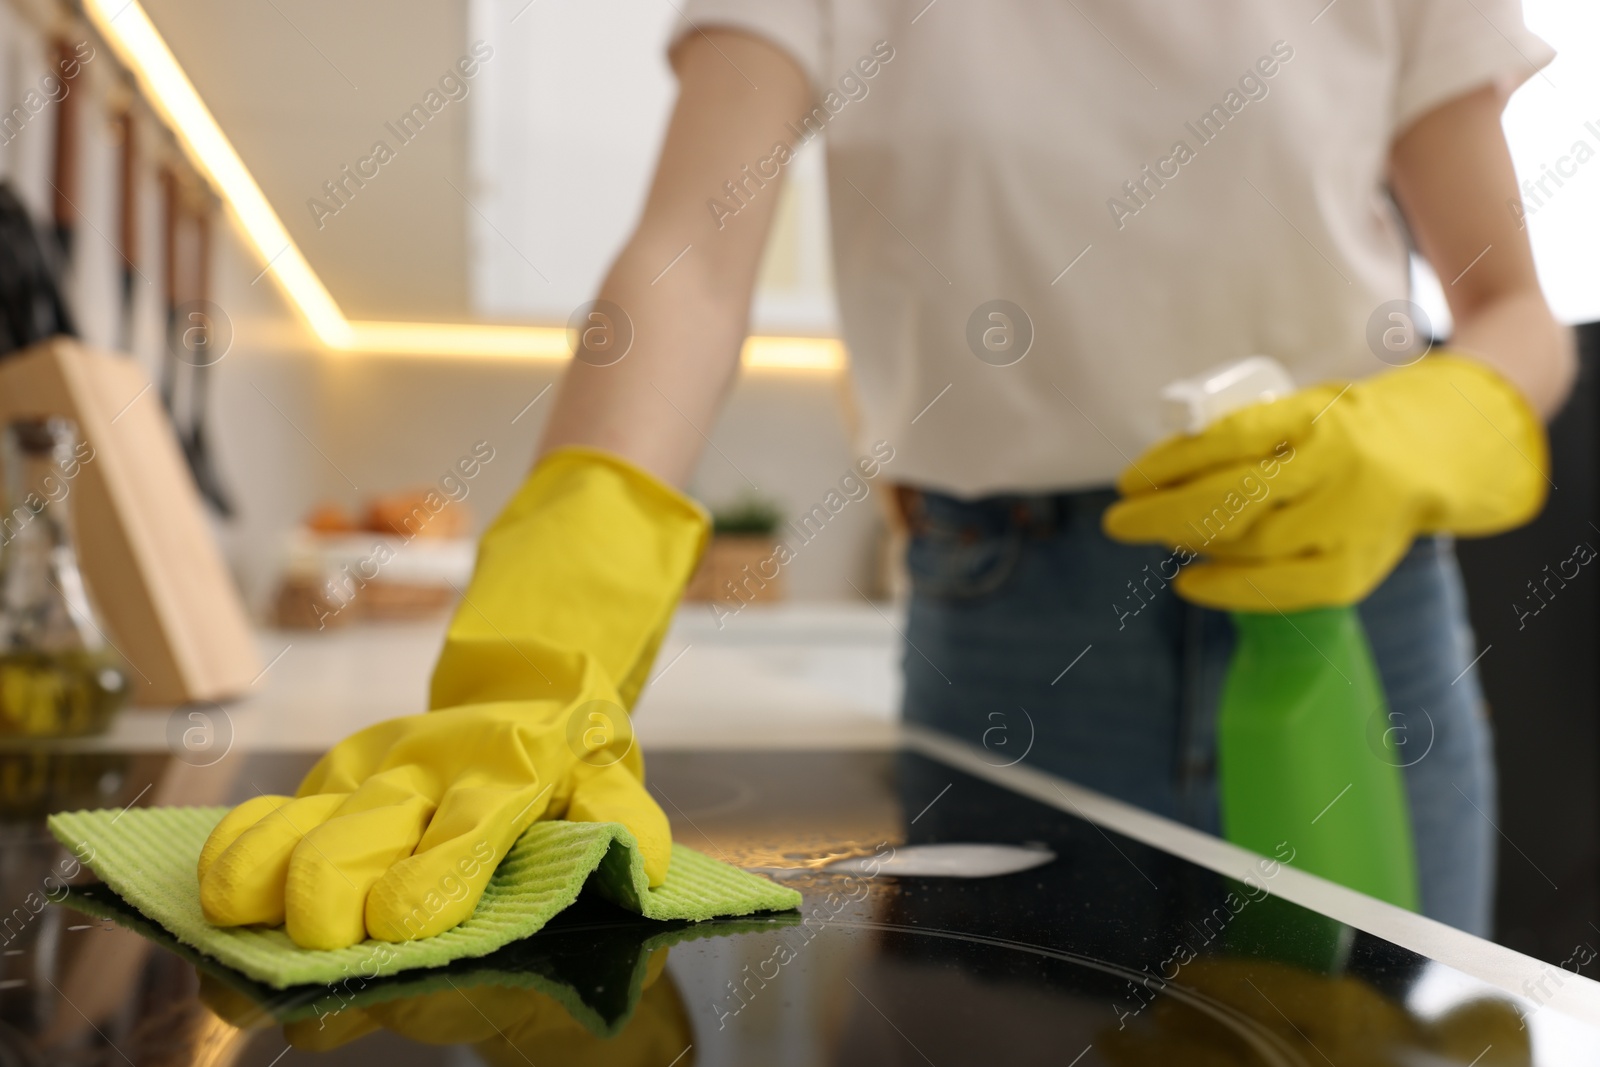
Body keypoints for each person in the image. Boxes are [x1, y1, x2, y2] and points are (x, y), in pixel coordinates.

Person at [200, 0, 1571, 946]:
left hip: (1352, 613)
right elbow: (687, 251)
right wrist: (555, 619)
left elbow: (1514, 305)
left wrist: (1420, 432)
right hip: (1017, 627)